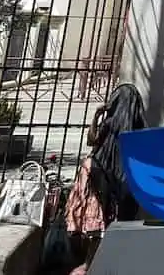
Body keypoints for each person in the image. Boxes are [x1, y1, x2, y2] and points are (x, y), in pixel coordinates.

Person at [64, 84, 147, 275]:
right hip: (123, 186)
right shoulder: (140, 129)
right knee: (117, 228)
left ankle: (90, 265)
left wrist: (96, 116)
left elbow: (91, 141)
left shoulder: (110, 124)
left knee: (99, 230)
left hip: (101, 180)